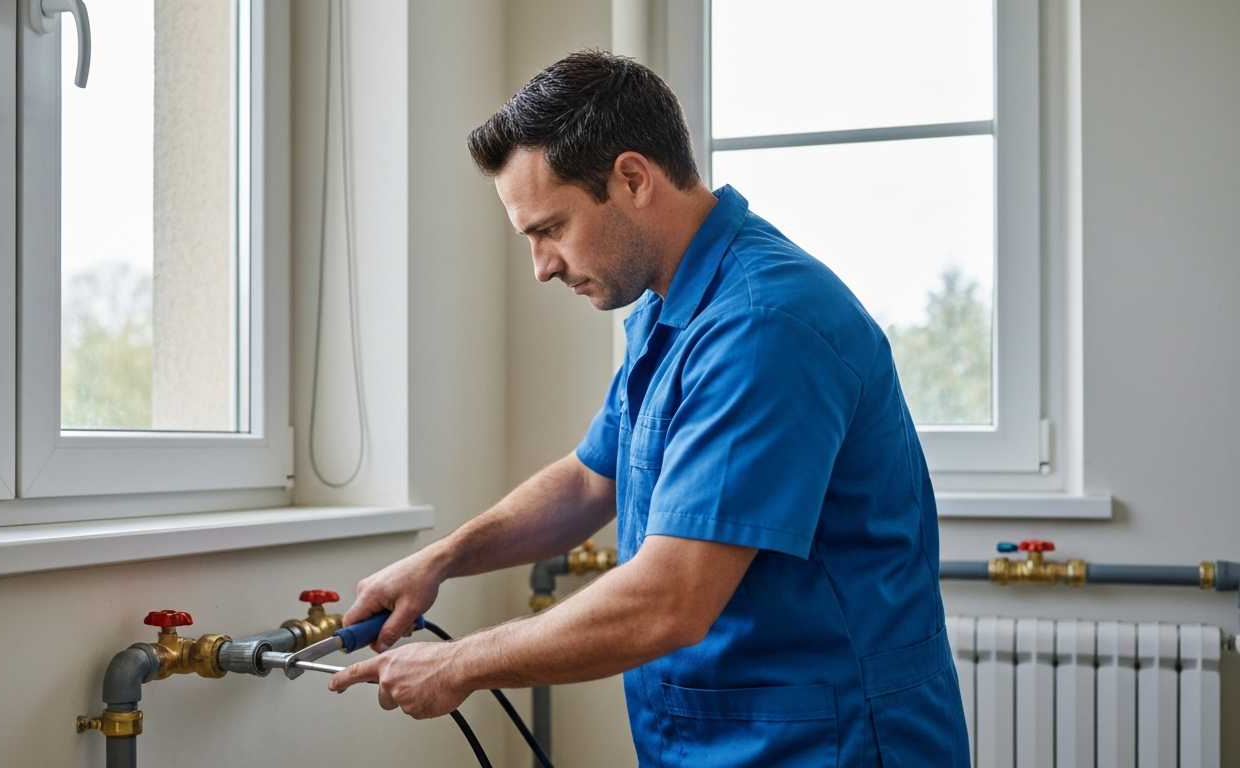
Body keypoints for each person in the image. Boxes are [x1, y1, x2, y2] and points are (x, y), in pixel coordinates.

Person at [328, 50, 970, 768]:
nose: (541, 266)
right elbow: (586, 480)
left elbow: (672, 598)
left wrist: (462, 663)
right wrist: (442, 561)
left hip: (825, 741)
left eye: (550, 229)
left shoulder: (763, 326)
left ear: (632, 178)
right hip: (718, 735)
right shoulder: (672, 309)